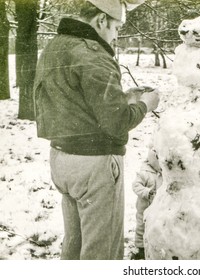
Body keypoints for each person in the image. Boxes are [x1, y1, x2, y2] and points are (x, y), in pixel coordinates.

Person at [33, 0, 159, 260]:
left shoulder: (56, 46)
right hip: (95, 165)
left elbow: (73, 101)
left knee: (74, 244)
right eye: (116, 27)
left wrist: (121, 99)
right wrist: (145, 105)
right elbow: (117, 125)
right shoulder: (93, 54)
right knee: (102, 252)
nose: (116, 36)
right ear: (101, 20)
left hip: (62, 160)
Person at [130, 148, 162, 260]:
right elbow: (136, 186)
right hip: (144, 207)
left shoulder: (163, 173)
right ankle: (140, 248)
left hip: (158, 208)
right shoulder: (144, 173)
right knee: (141, 227)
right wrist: (147, 192)